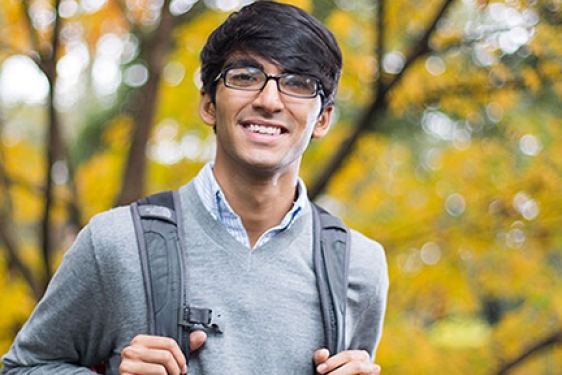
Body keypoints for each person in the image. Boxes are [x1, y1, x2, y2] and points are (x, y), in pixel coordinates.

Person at [1, 1, 389, 374]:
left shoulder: (359, 267)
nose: (269, 100)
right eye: (245, 76)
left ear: (323, 119)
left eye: (298, 83)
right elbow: (22, 367)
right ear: (208, 103)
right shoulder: (117, 243)